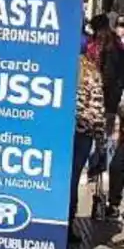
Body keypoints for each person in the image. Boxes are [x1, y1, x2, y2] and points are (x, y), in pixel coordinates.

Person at [70, 51, 105, 245]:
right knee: (73, 179)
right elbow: (97, 112)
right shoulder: (91, 72)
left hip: (56, 133)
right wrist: (100, 143)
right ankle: (68, 224)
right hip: (82, 135)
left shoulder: (56, 66)